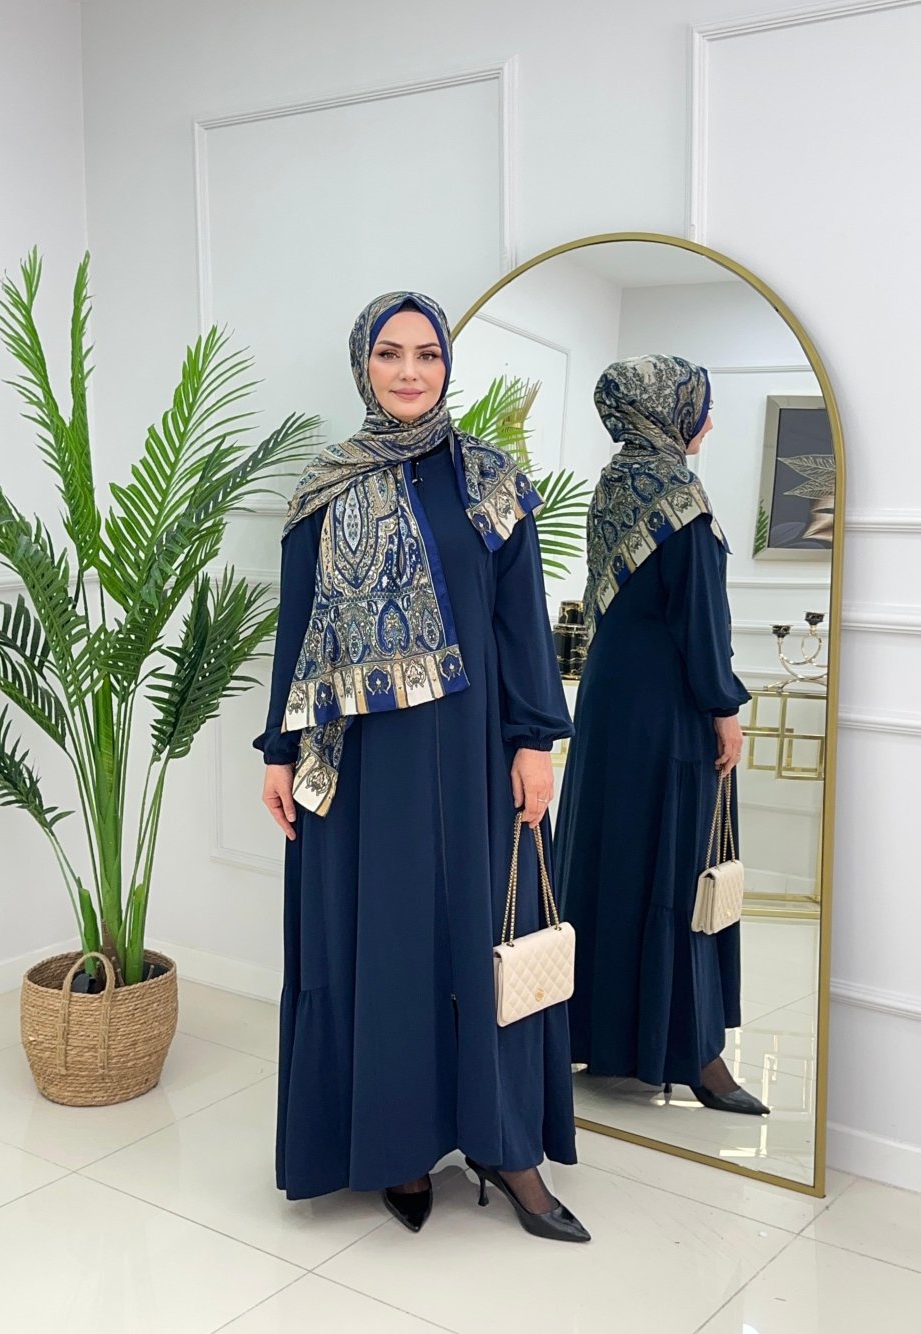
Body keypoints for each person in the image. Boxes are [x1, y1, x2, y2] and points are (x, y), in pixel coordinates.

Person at [254, 291, 590, 1241]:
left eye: (427, 354)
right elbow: (297, 630)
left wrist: (534, 741)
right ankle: (397, 1143)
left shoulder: (489, 480)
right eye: (390, 354)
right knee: (385, 941)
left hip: (477, 754)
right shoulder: (325, 487)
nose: (410, 372)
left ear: (448, 365)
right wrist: (280, 752)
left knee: (484, 934)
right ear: (363, 365)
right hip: (362, 764)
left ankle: (508, 1148)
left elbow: (521, 622)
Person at [554, 354, 768, 1116]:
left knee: (609, 858)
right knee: (677, 866)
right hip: (668, 713)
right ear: (668, 410)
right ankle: (695, 1056)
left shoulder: (614, 484)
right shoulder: (682, 498)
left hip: (609, 710)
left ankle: (599, 1035)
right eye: (699, 404)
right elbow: (700, 621)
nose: (706, 419)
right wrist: (724, 709)